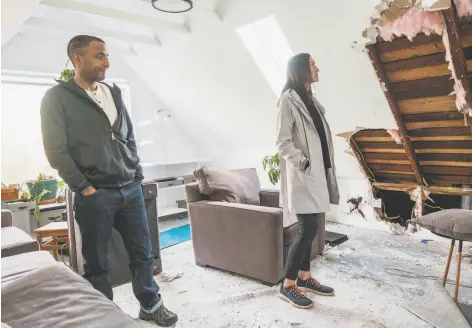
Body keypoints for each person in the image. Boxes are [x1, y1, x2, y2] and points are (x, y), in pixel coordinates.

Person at [40, 35, 178, 327]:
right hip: (95, 195)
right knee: (97, 263)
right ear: (77, 58)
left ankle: (151, 305)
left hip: (130, 188)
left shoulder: (113, 92)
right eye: (99, 56)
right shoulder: (57, 98)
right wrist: (85, 187)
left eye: (106, 55)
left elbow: (128, 135)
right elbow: (56, 151)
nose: (107, 62)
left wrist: (136, 173)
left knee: (143, 252)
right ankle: (104, 316)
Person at [276, 53, 340, 309]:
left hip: (317, 174)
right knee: (307, 229)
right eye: (313, 64)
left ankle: (303, 278)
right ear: (301, 69)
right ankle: (287, 285)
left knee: (311, 227)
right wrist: (303, 162)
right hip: (303, 175)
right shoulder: (287, 100)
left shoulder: (311, 99)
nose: (318, 68)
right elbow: (282, 142)